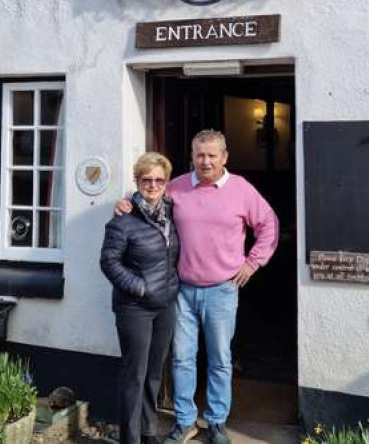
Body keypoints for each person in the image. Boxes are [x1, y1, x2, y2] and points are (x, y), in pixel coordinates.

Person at [116, 130, 279, 444]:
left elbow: (268, 224)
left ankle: (216, 422)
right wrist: (123, 204)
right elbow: (146, 200)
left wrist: (252, 263)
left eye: (212, 156)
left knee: (219, 358)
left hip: (222, 289)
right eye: (200, 155)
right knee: (181, 359)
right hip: (182, 291)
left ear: (224, 158)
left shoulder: (241, 189)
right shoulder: (176, 187)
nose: (205, 161)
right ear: (192, 156)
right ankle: (185, 422)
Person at [100, 152, 180, 444]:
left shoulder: (171, 213)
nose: (153, 184)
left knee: (154, 374)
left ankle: (148, 432)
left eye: (159, 179)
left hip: (166, 306)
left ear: (166, 182)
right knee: (134, 375)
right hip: (135, 308)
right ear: (137, 181)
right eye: (147, 179)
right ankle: (130, 438)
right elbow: (109, 262)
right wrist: (139, 287)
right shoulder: (123, 219)